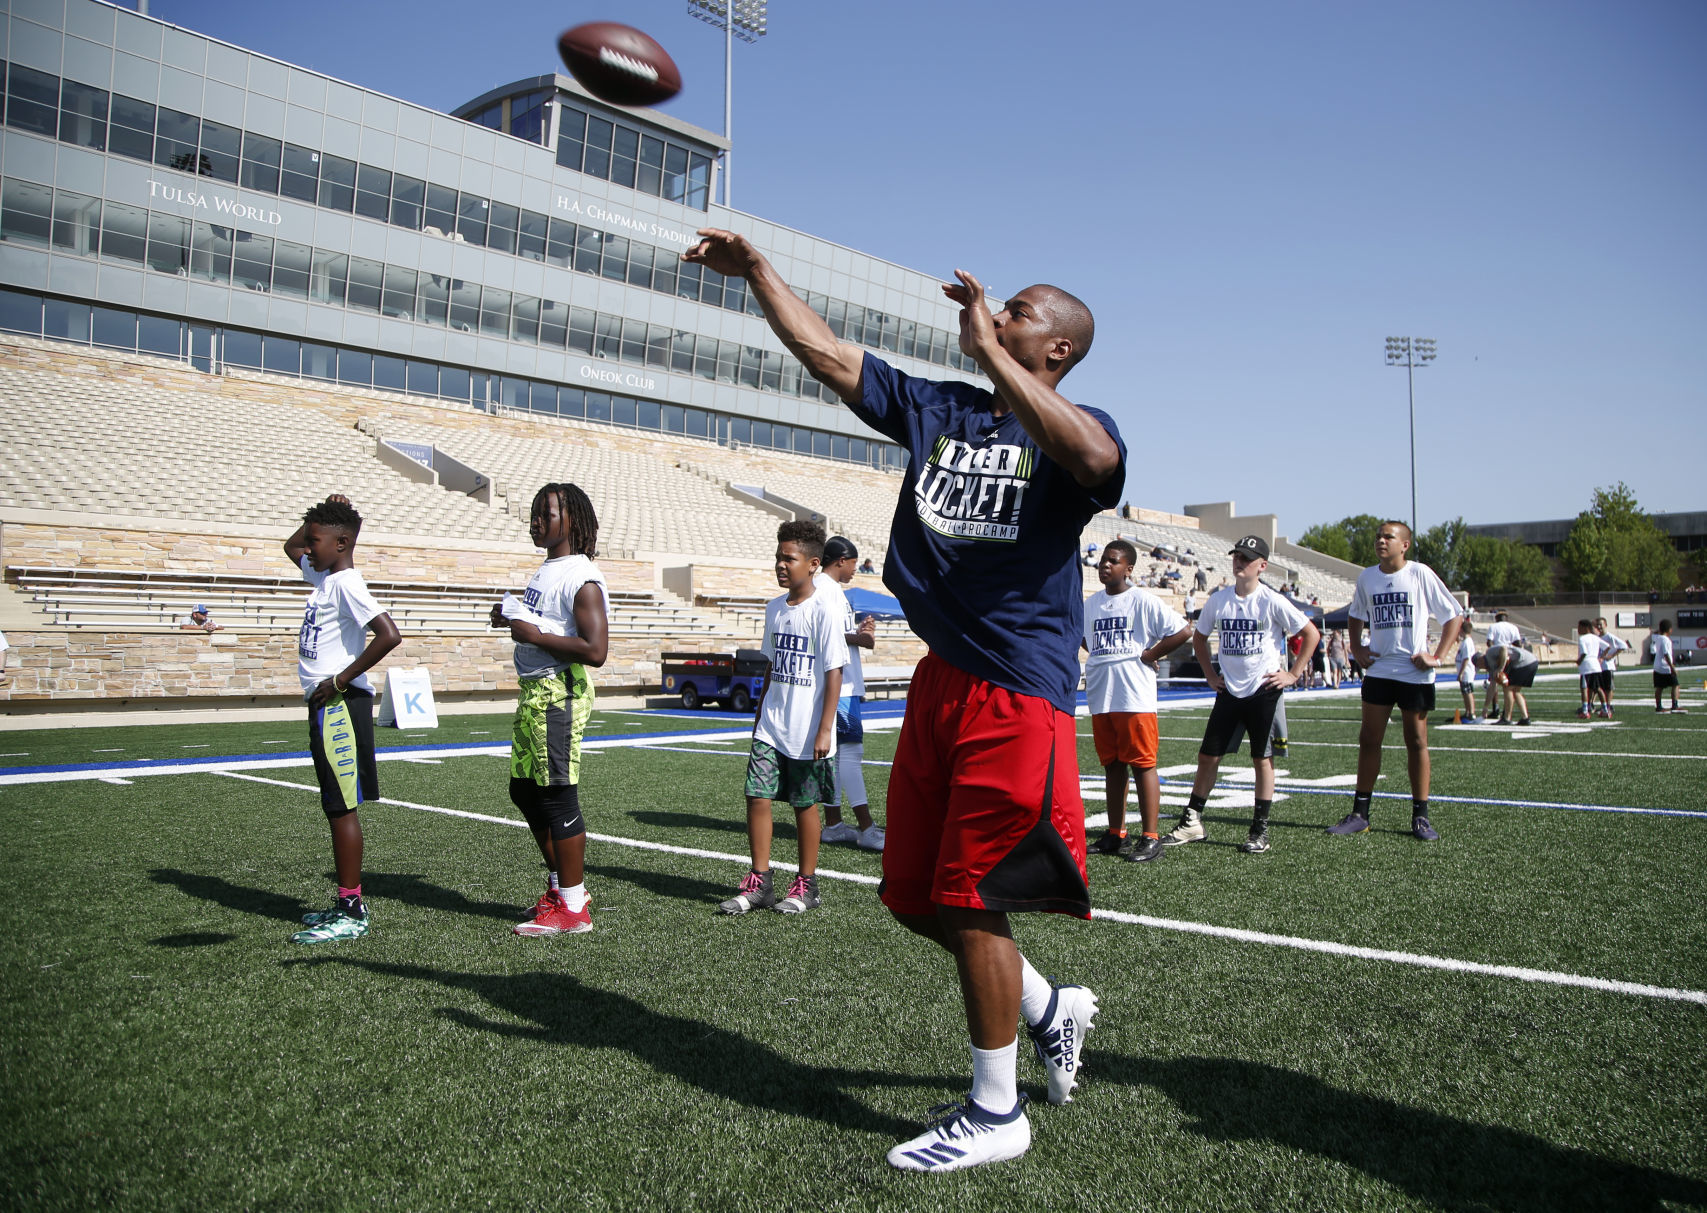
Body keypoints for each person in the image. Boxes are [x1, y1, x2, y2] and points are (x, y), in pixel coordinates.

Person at [684, 229, 1123, 1172]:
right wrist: (760, 273)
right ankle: (1053, 1007)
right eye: (998, 310)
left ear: (1056, 351)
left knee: (970, 898)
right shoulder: (943, 410)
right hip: (940, 680)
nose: (997, 314)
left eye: (1019, 315)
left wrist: (993, 355)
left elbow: (1089, 459)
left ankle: (998, 1112)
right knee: (910, 895)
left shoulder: (1080, 425)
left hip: (1018, 689)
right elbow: (828, 353)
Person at [283, 495, 401, 944]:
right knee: (335, 804)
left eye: (318, 541)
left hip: (340, 704)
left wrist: (339, 679)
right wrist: (316, 520)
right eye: (311, 540)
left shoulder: (347, 583)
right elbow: (290, 547)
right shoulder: (325, 575)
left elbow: (389, 634)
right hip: (326, 703)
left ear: (343, 542)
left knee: (340, 807)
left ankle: (351, 910)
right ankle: (344, 903)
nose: (308, 548)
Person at [493, 483, 610, 938]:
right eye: (534, 512)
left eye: (547, 513)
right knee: (524, 790)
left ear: (572, 521)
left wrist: (532, 635)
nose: (536, 521)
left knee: (557, 793)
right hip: (536, 691)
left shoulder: (582, 576)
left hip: (559, 693)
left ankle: (574, 905)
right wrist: (512, 620)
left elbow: (595, 650)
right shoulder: (550, 567)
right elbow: (544, 624)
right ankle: (563, 885)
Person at [719, 519, 847, 917]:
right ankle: (760, 882)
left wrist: (825, 728)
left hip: (808, 730)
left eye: (788, 559)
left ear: (812, 564)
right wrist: (760, 715)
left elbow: (834, 671)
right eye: (777, 557)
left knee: (803, 804)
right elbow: (772, 667)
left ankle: (806, 885)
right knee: (756, 795)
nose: (780, 565)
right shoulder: (774, 609)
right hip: (772, 724)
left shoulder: (824, 609)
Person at [1163, 536, 1317, 855]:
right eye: (1237, 556)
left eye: (1247, 558)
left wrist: (1293, 673)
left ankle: (1259, 829)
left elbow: (1310, 634)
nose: (1239, 562)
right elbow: (1200, 638)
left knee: (1262, 759)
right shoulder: (1220, 600)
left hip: (1263, 690)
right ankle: (1192, 821)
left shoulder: (1271, 600)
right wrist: (1209, 675)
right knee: (1208, 755)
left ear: (1262, 566)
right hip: (1230, 689)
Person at [1328, 521, 1465, 842]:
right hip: (1378, 671)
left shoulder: (1420, 574)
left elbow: (1454, 615)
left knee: (1416, 741)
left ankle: (1421, 816)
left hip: (1413, 673)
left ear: (1404, 545)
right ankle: (1360, 814)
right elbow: (1355, 613)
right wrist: (1358, 647)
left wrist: (1438, 654)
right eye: (1378, 536)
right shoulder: (1367, 576)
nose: (1381, 541)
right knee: (1368, 739)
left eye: (1388, 537)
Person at [1082, 539, 1193, 863]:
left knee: (1143, 764)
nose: (1106, 565)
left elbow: (1183, 631)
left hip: (1133, 696)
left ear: (1128, 568)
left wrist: (1150, 653)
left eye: (1113, 561)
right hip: (1102, 696)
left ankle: (1151, 836)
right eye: (1103, 560)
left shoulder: (1142, 600)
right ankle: (1116, 832)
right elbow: (1085, 639)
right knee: (1112, 766)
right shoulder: (1091, 604)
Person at [818, 534, 885, 851]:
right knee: (849, 755)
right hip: (839, 685)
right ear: (841, 560)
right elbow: (826, 634)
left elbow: (833, 633)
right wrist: (862, 639)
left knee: (835, 758)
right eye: (854, 563)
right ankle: (866, 827)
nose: (855, 569)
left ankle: (833, 824)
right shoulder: (827, 590)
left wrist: (857, 633)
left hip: (842, 683)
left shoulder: (829, 591)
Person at [1484, 640, 1537, 725]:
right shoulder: (1490, 664)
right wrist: (1486, 706)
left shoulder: (1489, 653)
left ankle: (1507, 718)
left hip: (1524, 661)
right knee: (1516, 691)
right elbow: (1493, 686)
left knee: (1508, 688)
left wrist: (1500, 668)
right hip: (1531, 661)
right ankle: (1525, 718)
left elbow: (1504, 649)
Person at [1574, 619, 1610, 719]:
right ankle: (1605, 710)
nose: (1578, 630)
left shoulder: (1582, 639)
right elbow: (1607, 647)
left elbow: (1584, 653)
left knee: (1584, 689)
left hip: (1586, 666)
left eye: (1579, 627)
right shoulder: (1595, 638)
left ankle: (1585, 711)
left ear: (1585, 628)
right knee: (1598, 688)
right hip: (1596, 665)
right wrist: (1601, 657)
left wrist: (1579, 661)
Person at [1593, 618, 1629, 717]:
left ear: (1605, 625)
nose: (1599, 627)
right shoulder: (1597, 637)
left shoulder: (1610, 637)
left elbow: (1623, 646)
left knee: (1609, 687)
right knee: (1600, 687)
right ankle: (1603, 705)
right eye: (1598, 625)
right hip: (1599, 666)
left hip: (1608, 666)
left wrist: (1611, 655)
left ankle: (1608, 705)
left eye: (1601, 624)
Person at [1651, 619, 1683, 712]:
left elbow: (1654, 633)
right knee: (1675, 685)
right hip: (1665, 667)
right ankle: (1675, 705)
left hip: (1657, 666)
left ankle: (1659, 706)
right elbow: (1666, 654)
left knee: (1659, 687)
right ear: (1669, 629)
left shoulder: (1657, 638)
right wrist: (1672, 667)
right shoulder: (1665, 640)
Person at [1455, 619, 1479, 722]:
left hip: (1466, 672)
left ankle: (1471, 712)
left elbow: (1466, 658)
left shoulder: (1467, 642)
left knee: (1468, 692)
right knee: (1465, 692)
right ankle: (1467, 711)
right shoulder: (1464, 642)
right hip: (1464, 672)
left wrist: (1461, 673)